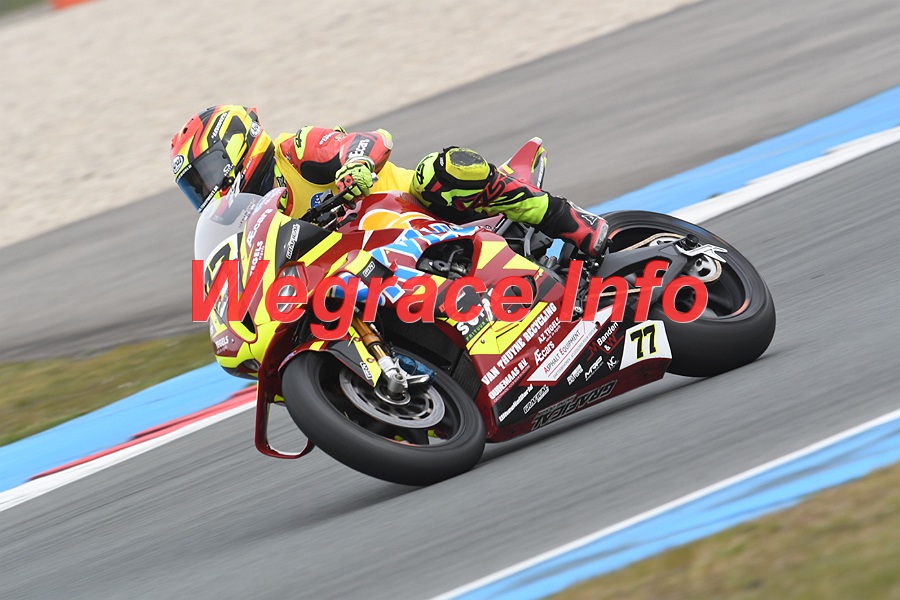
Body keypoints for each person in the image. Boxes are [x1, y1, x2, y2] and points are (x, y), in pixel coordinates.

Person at [170, 104, 608, 258]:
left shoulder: (293, 149)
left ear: (236, 143)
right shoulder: (242, 224)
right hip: (361, 265)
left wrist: (356, 166)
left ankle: (569, 220)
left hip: (414, 213)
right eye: (195, 187)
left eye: (204, 175)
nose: (205, 191)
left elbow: (368, 141)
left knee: (443, 169)